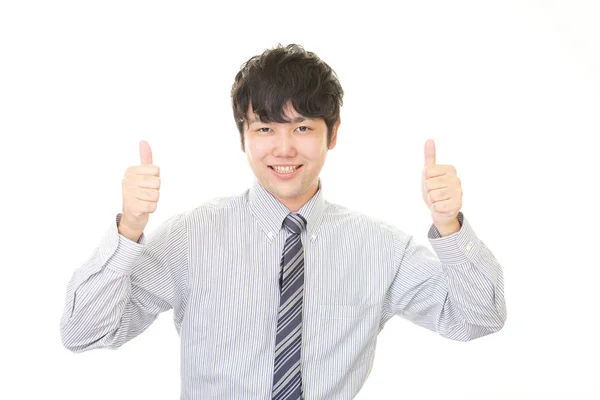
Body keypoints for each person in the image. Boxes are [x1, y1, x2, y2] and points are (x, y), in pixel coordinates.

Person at [60, 43, 507, 400]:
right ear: (243, 138)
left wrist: (450, 225)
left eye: (302, 128)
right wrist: (129, 228)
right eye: (265, 129)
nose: (284, 149)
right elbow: (84, 333)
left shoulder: (380, 247)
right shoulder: (192, 237)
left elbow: (477, 319)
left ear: (333, 134)